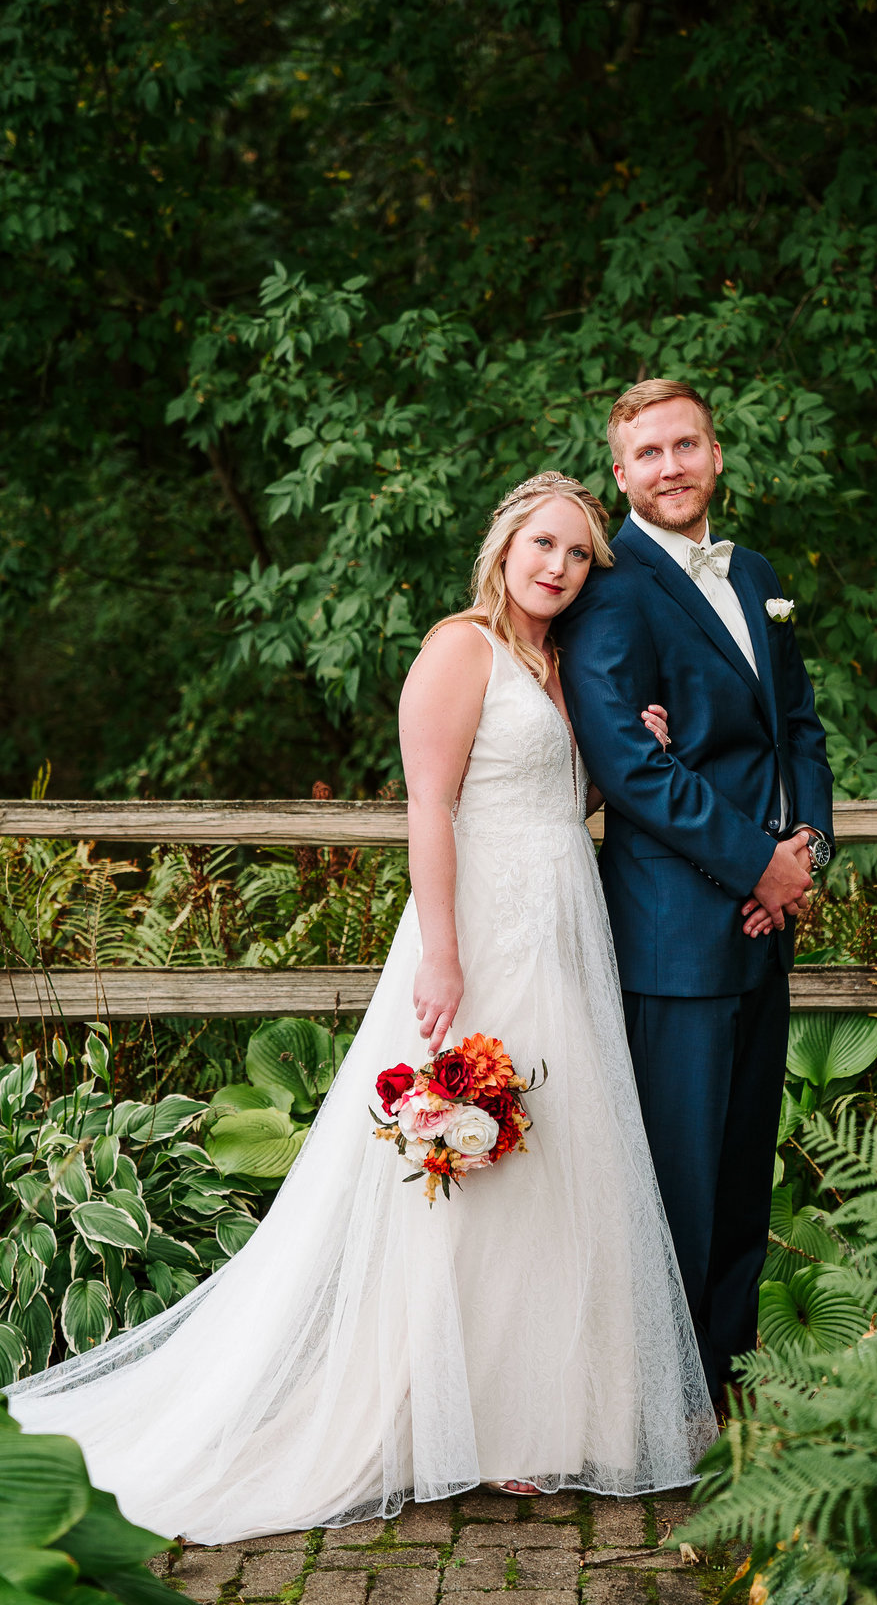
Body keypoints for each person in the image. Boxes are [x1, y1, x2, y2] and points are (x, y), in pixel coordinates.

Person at [5, 471, 716, 1539]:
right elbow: (430, 807)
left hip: (564, 931)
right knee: (467, 1158)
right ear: (505, 542)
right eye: (545, 544)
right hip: (480, 930)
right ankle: (451, 1416)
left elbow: (574, 793)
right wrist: (442, 954)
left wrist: (637, 737)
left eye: (579, 555)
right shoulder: (460, 647)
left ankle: (547, 1417)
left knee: (556, 1158)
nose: (560, 567)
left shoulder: (564, 666)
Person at [555, 379, 835, 1408]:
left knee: (740, 1179)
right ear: (619, 473)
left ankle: (720, 1391)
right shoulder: (611, 587)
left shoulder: (755, 572)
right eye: (648, 453)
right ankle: (656, 1406)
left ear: (716, 454)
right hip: (675, 931)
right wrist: (752, 864)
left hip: (766, 925)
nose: (670, 467)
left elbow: (795, 727)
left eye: (687, 445)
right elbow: (629, 765)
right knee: (675, 1184)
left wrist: (805, 845)